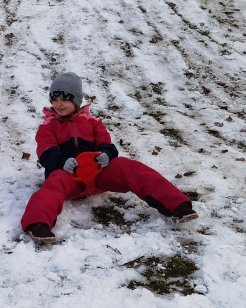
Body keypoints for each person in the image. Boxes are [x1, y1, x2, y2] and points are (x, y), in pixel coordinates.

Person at [22, 72, 198, 244]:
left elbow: (105, 143)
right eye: (54, 99)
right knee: (53, 184)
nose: (58, 104)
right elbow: (46, 151)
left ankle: (177, 205)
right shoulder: (48, 126)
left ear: (76, 100)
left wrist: (106, 154)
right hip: (70, 177)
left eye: (65, 99)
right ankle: (37, 223)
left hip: (98, 175)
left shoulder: (93, 122)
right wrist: (62, 162)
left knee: (129, 167)